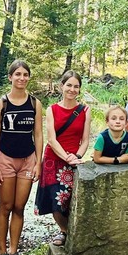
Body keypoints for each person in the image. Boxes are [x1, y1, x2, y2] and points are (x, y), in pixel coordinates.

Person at [0, 60, 43, 255]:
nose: (21, 78)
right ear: (10, 77)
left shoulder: (35, 104)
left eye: (25, 74)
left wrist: (38, 162)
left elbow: (38, 135)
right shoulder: (1, 104)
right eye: (18, 74)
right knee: (5, 206)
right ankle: (2, 252)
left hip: (27, 159)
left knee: (19, 207)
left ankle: (14, 251)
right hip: (5, 159)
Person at [35, 71, 90, 245]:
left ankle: (74, 232)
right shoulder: (52, 109)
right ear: (61, 86)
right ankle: (64, 231)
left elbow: (85, 140)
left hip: (75, 160)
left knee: (70, 199)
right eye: (69, 85)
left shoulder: (85, 110)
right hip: (54, 159)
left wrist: (77, 156)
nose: (72, 89)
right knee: (55, 200)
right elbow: (51, 139)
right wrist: (67, 157)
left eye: (76, 86)